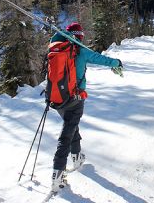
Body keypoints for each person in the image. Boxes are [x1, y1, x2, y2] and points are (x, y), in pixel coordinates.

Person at [50, 22, 123, 191]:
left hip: (58, 98)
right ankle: (57, 174)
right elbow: (101, 59)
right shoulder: (81, 51)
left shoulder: (56, 47)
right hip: (75, 99)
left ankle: (76, 157)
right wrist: (117, 62)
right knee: (66, 135)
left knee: (71, 126)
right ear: (80, 36)